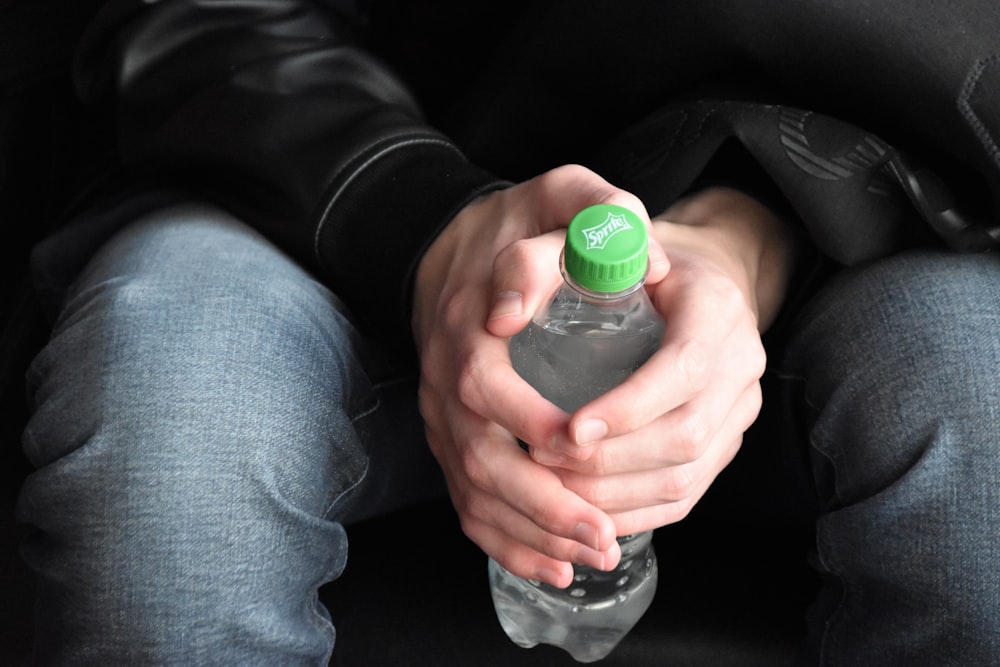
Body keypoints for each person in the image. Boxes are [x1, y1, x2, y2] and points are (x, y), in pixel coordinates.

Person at [15, 0, 1000, 664]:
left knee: (980, 407)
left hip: (859, 214)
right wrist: (423, 223)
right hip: (316, 195)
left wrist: (748, 230)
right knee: (166, 423)